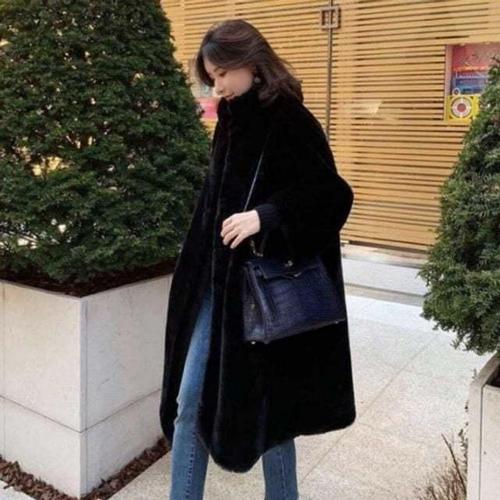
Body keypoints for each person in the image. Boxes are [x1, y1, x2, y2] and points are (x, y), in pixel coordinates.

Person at [160, 18, 356, 500]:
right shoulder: (231, 119)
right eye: (212, 78)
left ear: (248, 61)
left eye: (222, 74)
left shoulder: (288, 118)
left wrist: (265, 217)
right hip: (215, 286)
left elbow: (331, 195)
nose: (218, 87)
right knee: (190, 403)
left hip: (262, 289)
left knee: (275, 415)